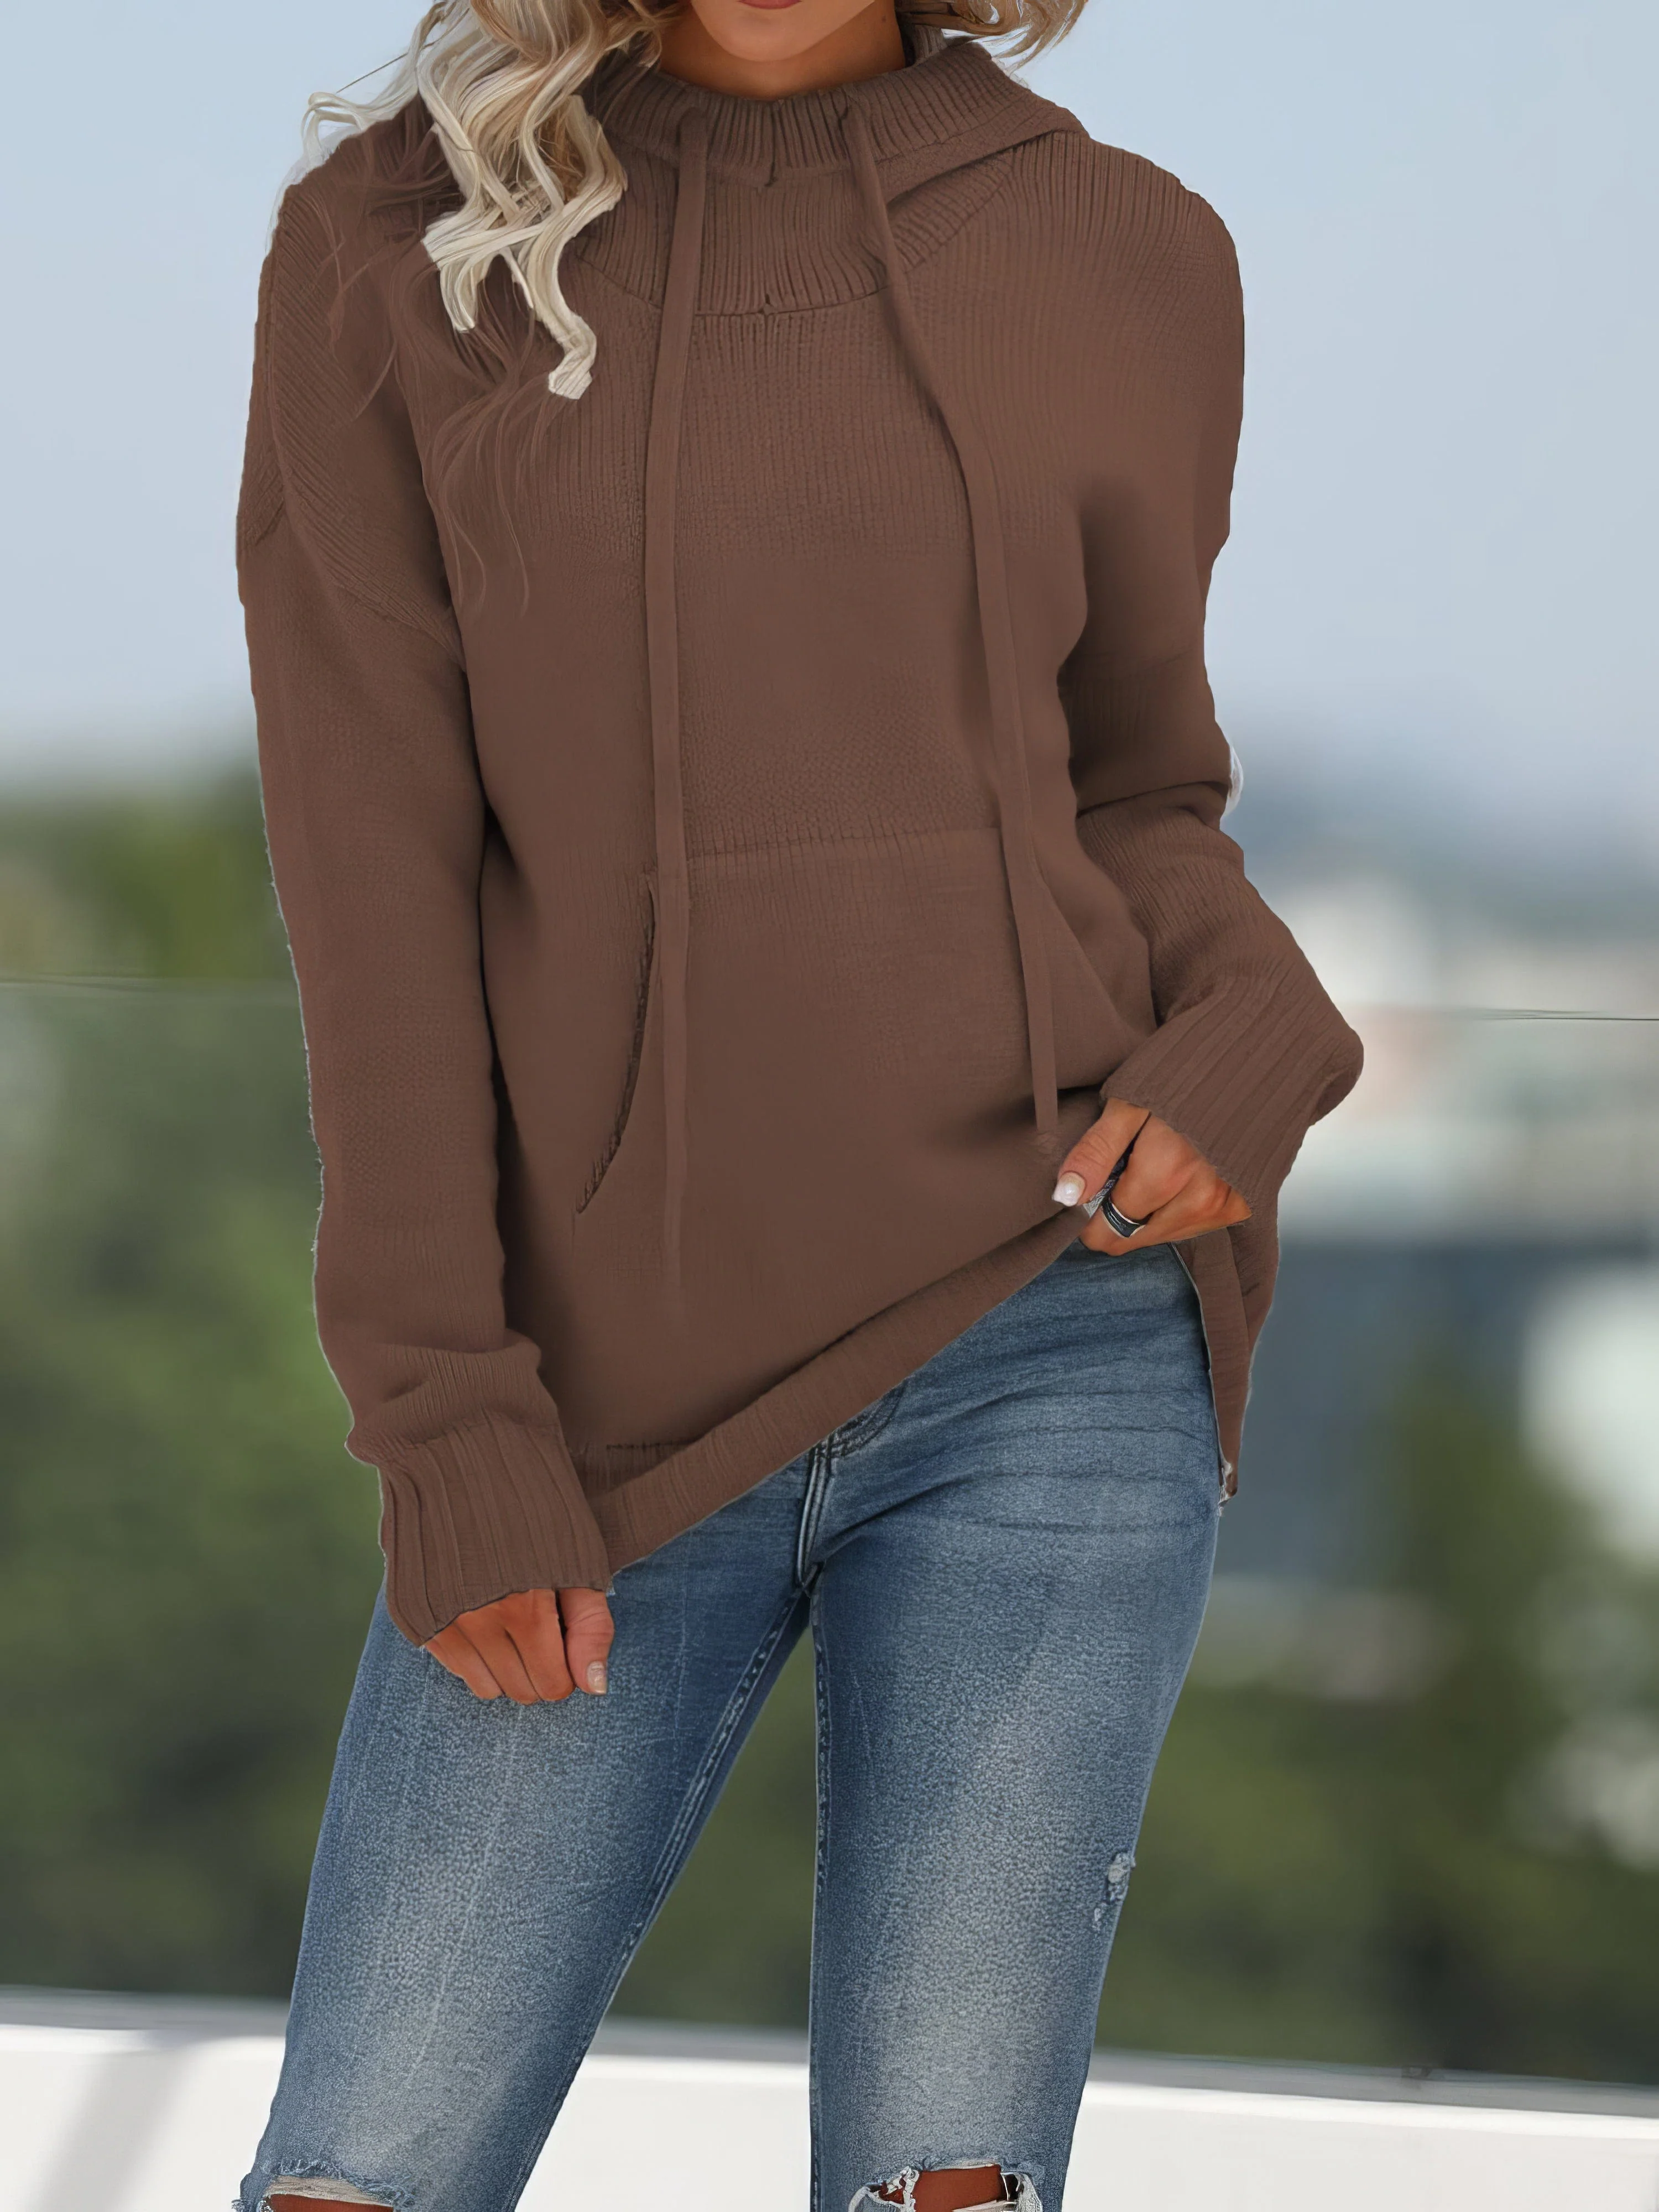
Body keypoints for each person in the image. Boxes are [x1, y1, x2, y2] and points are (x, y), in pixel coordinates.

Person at [234, 0, 1361, 2202]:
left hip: (1054, 1324)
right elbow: (371, 882)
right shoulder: (396, 241)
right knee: (358, 2169)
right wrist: (444, 1417)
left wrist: (1256, 1025)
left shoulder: (1128, 248)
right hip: (592, 1400)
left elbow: (1134, 789)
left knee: (948, 2183)